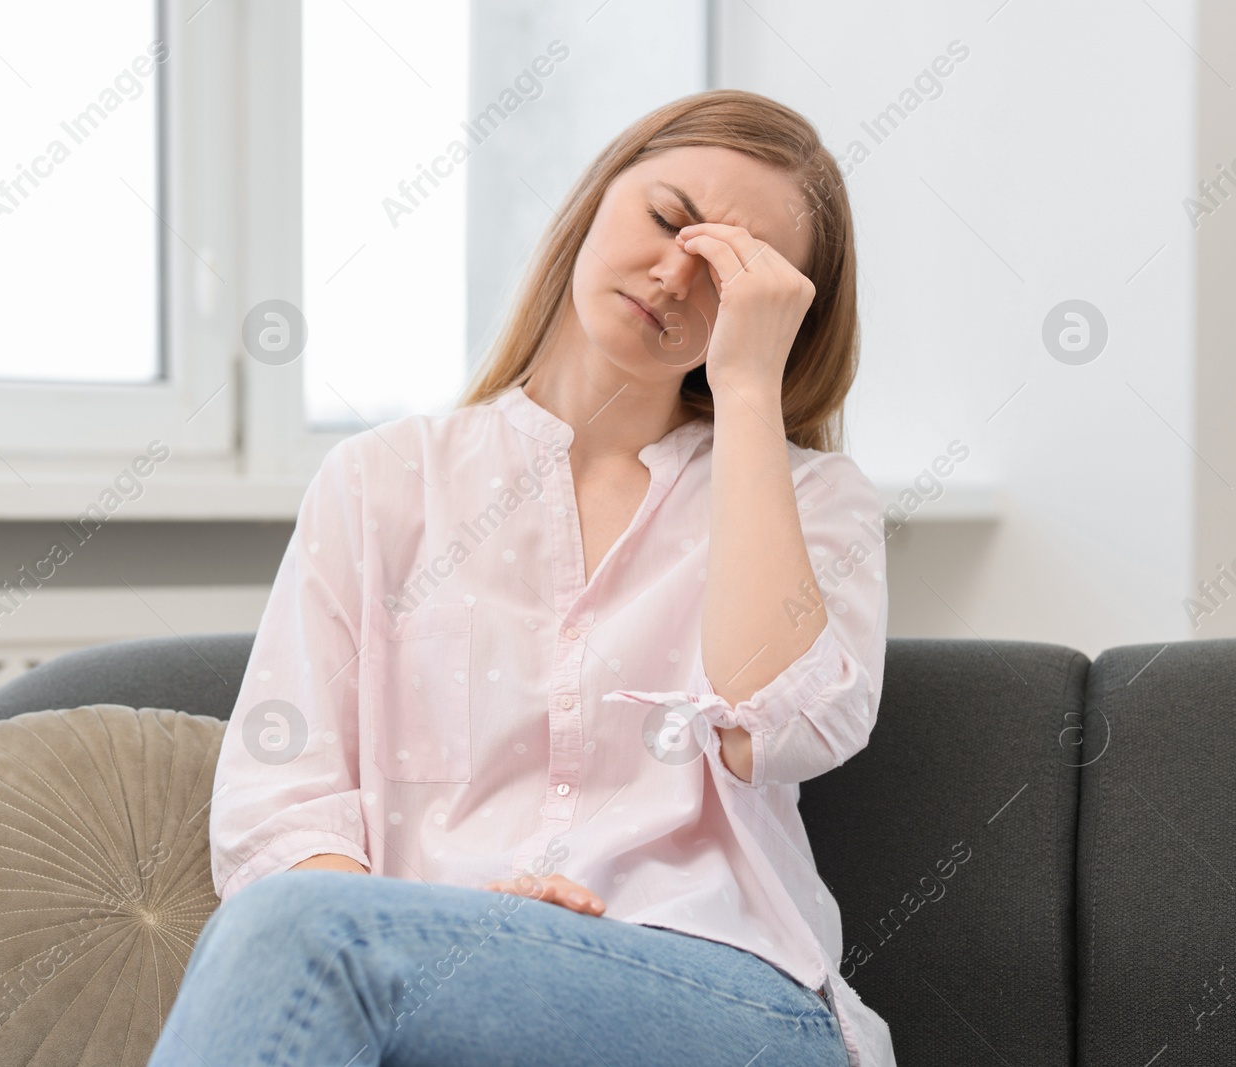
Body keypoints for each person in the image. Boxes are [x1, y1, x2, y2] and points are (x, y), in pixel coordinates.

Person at [148, 87, 893, 1067]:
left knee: (296, 929)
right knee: (290, 920)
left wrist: (750, 384)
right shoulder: (385, 481)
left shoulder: (816, 498)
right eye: (667, 219)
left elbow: (782, 723)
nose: (675, 275)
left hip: (726, 994)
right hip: (434, 974)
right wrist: (450, 931)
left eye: (727, 271)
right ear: (594, 199)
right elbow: (282, 804)